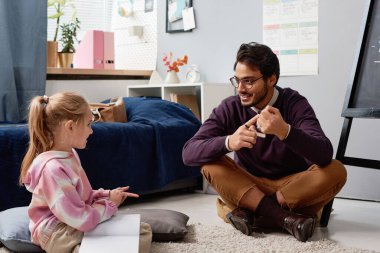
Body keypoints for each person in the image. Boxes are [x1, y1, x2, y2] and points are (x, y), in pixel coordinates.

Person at [182, 42, 347, 242]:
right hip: (248, 186)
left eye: (249, 81)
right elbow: (188, 152)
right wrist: (229, 142)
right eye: (237, 80)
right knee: (209, 161)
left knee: (336, 169)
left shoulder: (294, 103)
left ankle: (251, 213)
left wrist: (285, 131)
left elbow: (323, 153)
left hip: (291, 188)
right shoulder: (230, 107)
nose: (240, 89)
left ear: (271, 79)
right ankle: (285, 218)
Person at [19, 92, 152, 253]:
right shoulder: (53, 169)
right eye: (89, 124)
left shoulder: (70, 154)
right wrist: (110, 205)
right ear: (70, 126)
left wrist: (106, 195)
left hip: (72, 222)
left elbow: (80, 198)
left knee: (141, 231)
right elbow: (80, 218)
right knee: (126, 240)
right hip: (55, 231)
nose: (91, 131)